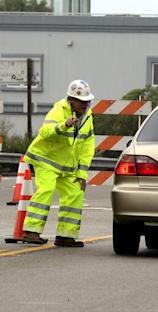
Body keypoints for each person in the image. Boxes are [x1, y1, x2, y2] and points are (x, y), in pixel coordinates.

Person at [22, 80, 96, 247]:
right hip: (46, 160)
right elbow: (45, 132)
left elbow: (87, 147)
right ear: (71, 99)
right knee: (46, 190)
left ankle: (66, 236)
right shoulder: (58, 110)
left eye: (87, 101)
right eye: (81, 101)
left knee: (75, 194)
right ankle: (31, 231)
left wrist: (82, 174)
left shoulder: (88, 118)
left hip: (68, 166)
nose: (85, 105)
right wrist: (63, 126)